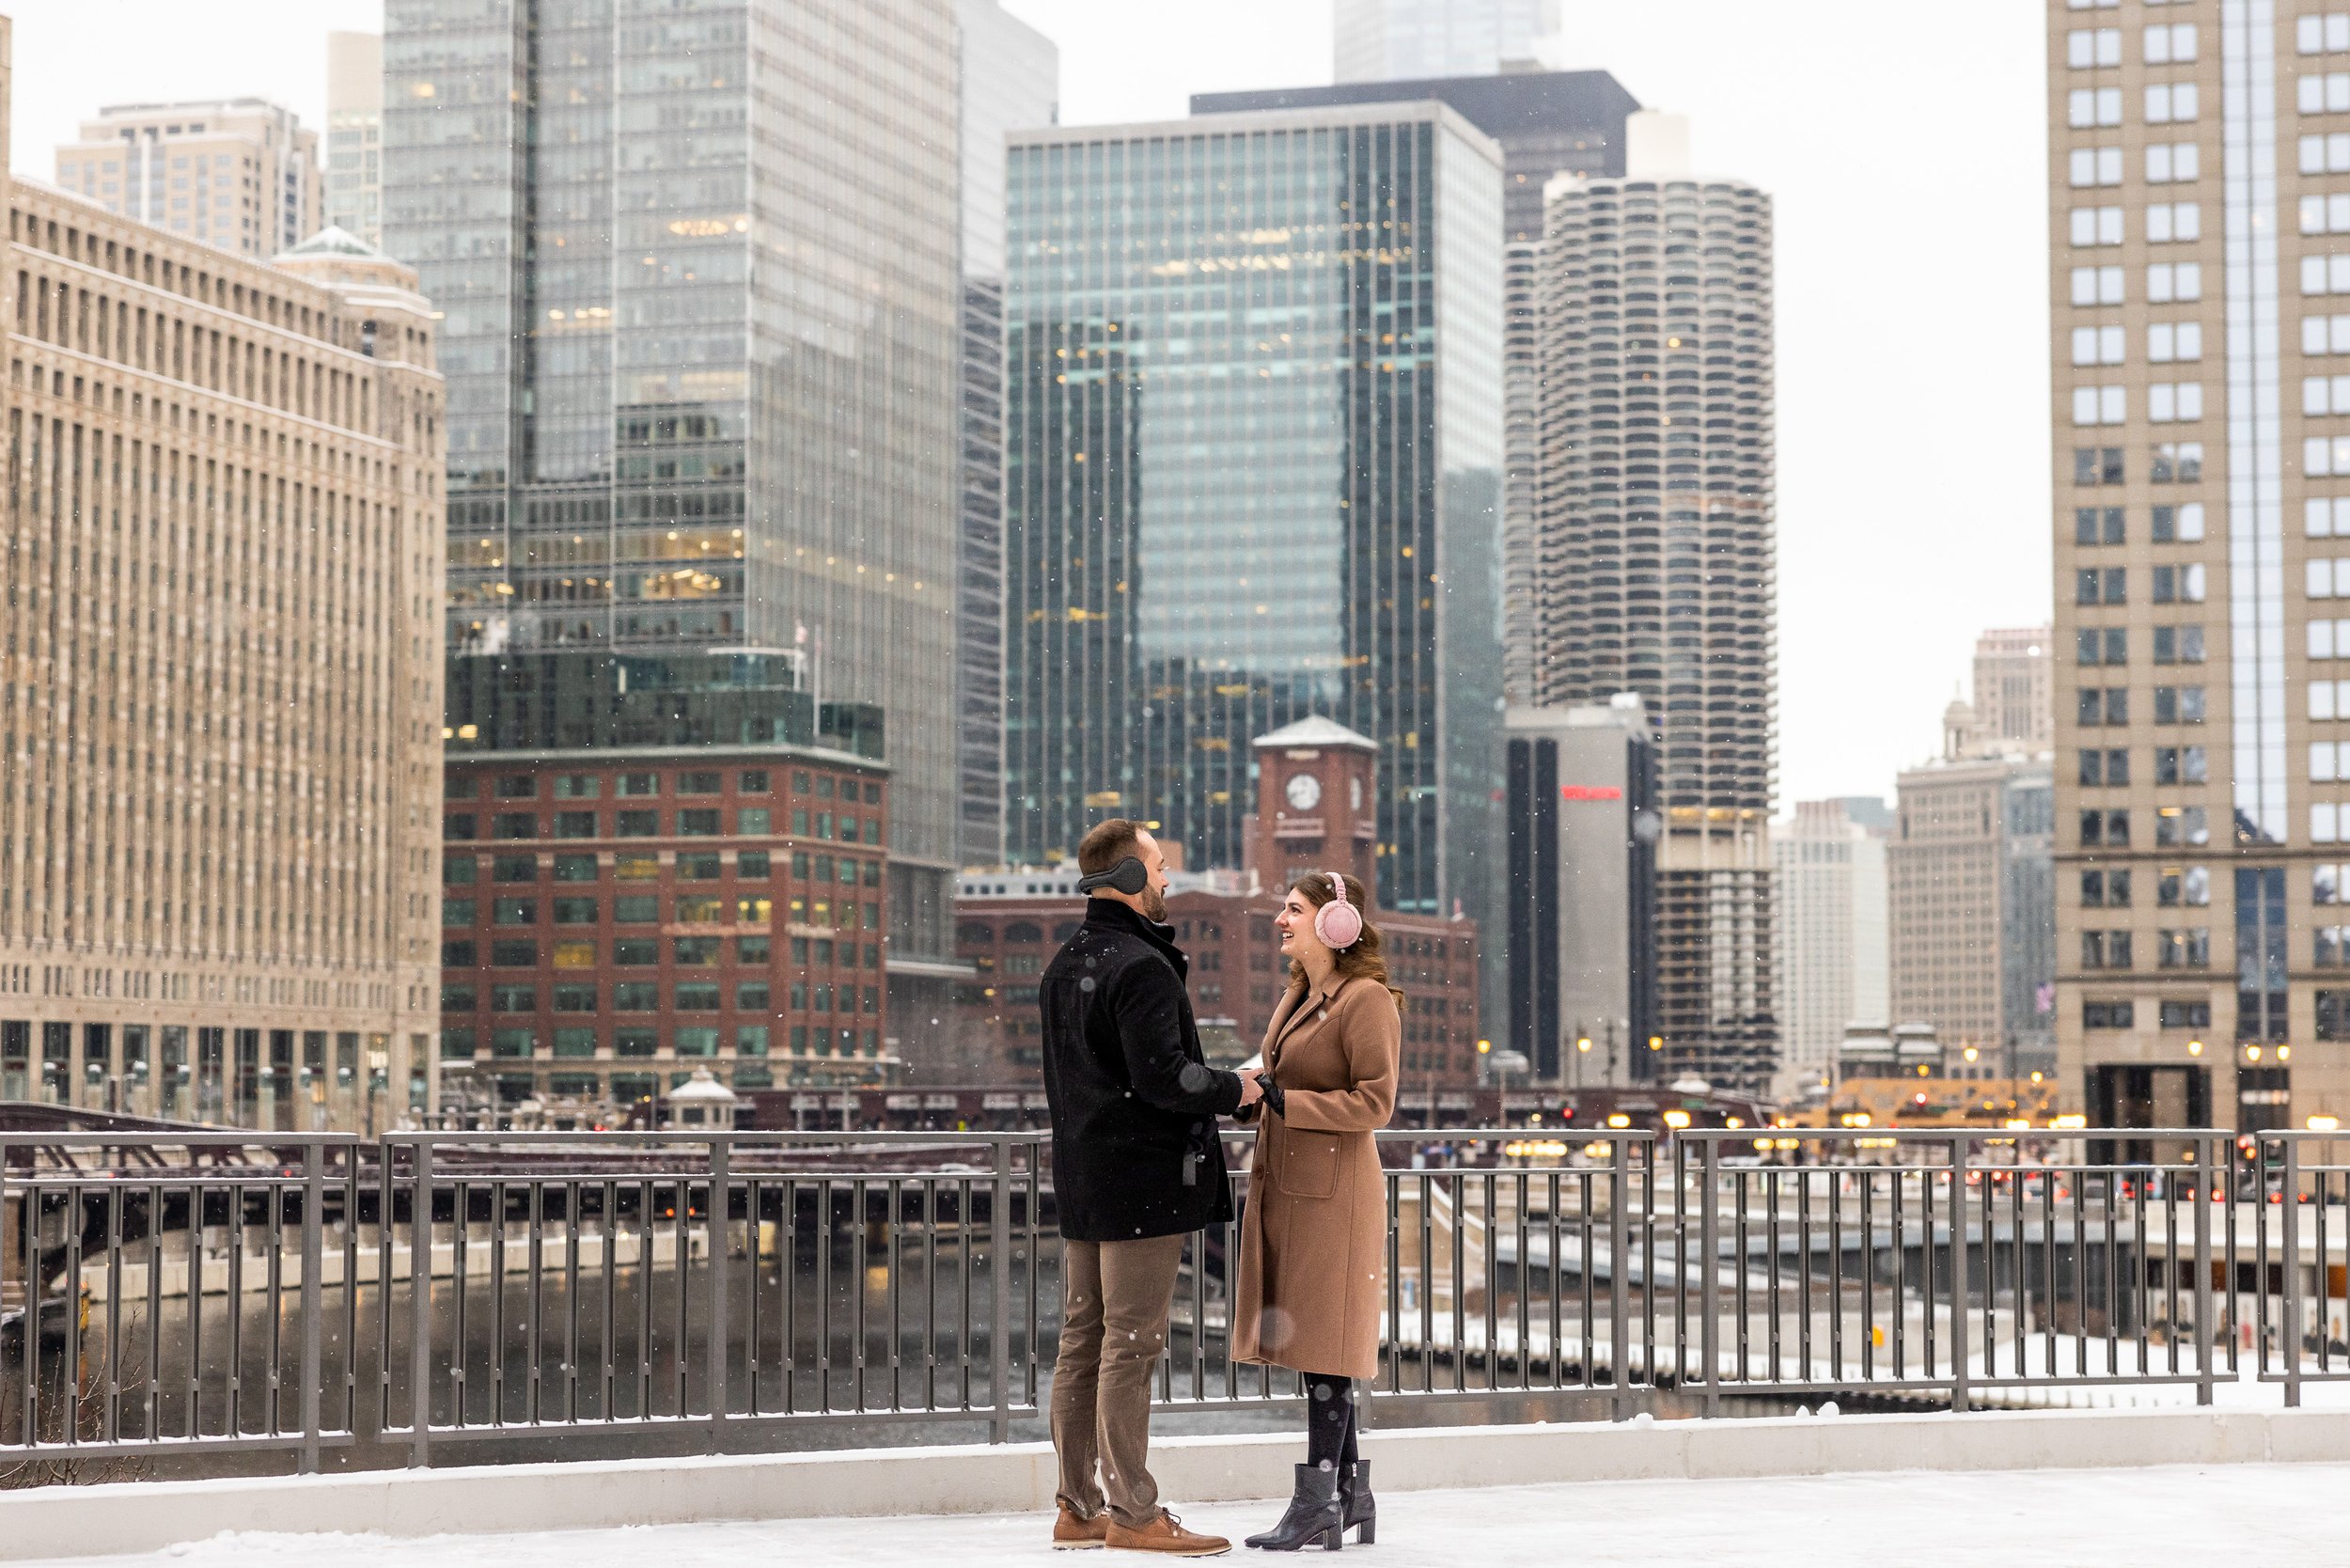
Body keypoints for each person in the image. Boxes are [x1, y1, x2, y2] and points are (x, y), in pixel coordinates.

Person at [1041, 818, 1264, 1556]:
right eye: (1159, 867)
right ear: (1131, 880)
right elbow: (1164, 1080)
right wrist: (1240, 1086)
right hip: (1141, 1184)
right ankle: (1135, 1515)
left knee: (1084, 1342)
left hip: (1082, 1180)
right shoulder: (1139, 967)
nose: (1166, 878)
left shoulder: (1065, 963)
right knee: (1129, 1349)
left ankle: (1079, 1506)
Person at [1230, 870, 1401, 1552]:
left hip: (1336, 1196)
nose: (1281, 920)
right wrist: (1257, 1093)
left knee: (1326, 1346)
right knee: (1318, 1347)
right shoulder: (1302, 995)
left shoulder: (1367, 1001)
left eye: (1293, 910)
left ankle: (1317, 1503)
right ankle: (1351, 1495)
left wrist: (1286, 1104)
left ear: (1337, 924)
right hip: (1296, 1187)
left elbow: (1375, 1103)